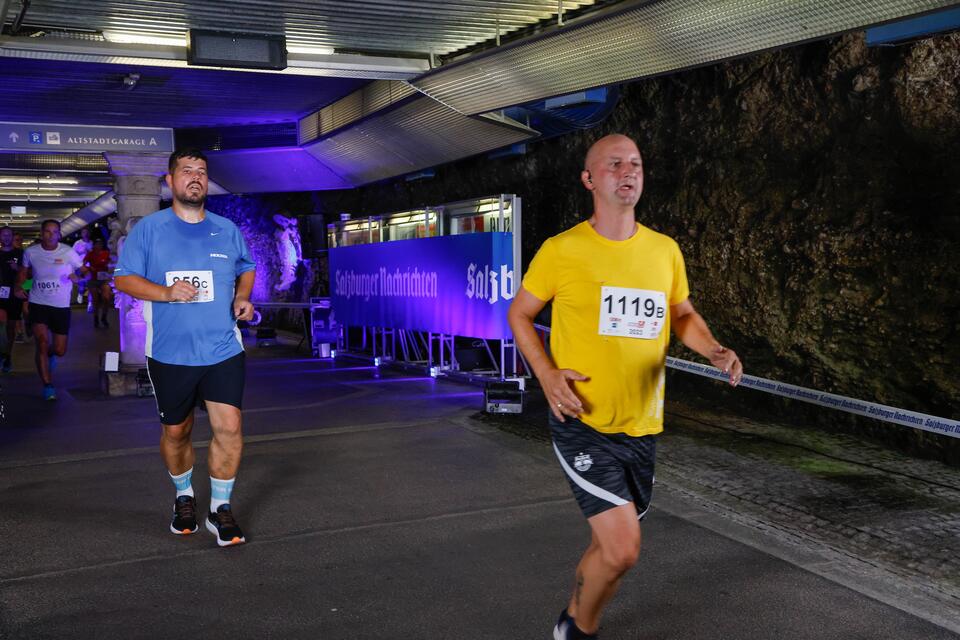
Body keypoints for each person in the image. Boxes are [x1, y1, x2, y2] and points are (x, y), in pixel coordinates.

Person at [507, 134, 743, 640]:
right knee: (622, 548)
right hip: (582, 420)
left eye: (635, 162)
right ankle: (577, 630)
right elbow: (520, 314)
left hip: (641, 426)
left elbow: (682, 314)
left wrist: (714, 348)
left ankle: (575, 616)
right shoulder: (563, 250)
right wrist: (546, 374)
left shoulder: (664, 250)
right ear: (590, 179)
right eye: (613, 164)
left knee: (608, 548)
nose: (627, 171)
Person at [114, 148, 256, 547]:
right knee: (177, 432)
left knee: (230, 428)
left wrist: (243, 296)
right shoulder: (149, 230)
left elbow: (246, 266)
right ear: (170, 180)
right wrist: (166, 292)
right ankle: (184, 497)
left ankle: (221, 509)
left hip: (224, 348)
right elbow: (123, 279)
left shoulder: (226, 229)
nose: (195, 177)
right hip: (170, 352)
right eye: (187, 171)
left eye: (202, 171)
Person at [16, 220, 85, 400]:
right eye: (47, 231)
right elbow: (25, 273)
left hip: (60, 306)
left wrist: (77, 277)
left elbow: (86, 271)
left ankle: (51, 355)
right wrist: (19, 286)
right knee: (42, 342)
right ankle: (48, 385)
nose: (51, 235)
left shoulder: (68, 252)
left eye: (55, 232)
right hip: (38, 303)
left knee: (60, 350)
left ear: (59, 234)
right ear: (42, 233)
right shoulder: (31, 252)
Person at [0, 226, 24, 373]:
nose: (6, 237)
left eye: (9, 235)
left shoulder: (20, 253)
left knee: (10, 328)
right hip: (0, 294)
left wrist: (18, 269)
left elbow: (29, 275)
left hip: (14, 295)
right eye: (3, 235)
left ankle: (7, 355)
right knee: (1, 322)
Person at [84, 238, 113, 328]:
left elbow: (112, 263)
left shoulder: (106, 253)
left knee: (106, 298)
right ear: (94, 245)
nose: (99, 246)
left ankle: (104, 317)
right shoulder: (90, 254)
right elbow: (83, 264)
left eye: (100, 244)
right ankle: (96, 318)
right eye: (97, 244)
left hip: (103, 279)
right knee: (96, 300)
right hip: (93, 279)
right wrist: (89, 268)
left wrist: (110, 268)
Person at [72, 227, 94, 306]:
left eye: (87, 232)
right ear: (81, 234)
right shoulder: (78, 243)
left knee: (91, 284)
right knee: (82, 282)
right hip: (81, 266)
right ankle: (80, 293)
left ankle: (90, 303)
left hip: (90, 266)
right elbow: (72, 254)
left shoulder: (91, 242)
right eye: (84, 232)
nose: (86, 234)